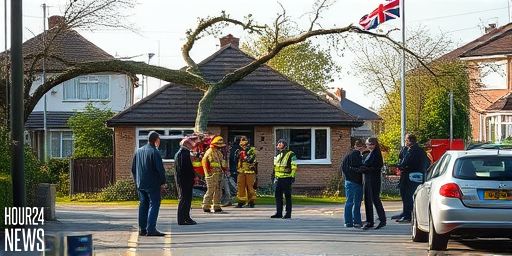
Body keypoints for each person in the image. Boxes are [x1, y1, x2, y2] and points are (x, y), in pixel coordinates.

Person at [131, 131, 167, 236]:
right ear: (156, 140)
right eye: (159, 139)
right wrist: (163, 182)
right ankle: (151, 229)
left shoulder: (138, 151)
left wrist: (136, 181)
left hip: (140, 184)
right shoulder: (154, 152)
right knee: (154, 204)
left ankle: (142, 229)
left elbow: (133, 169)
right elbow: (160, 170)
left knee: (143, 205)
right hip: (152, 184)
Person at [393, 134, 430, 223]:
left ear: (410, 141)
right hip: (408, 175)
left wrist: (401, 166)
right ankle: (405, 212)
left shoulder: (415, 151)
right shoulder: (410, 150)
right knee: (404, 193)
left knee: (408, 195)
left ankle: (408, 215)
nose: (405, 142)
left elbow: (408, 162)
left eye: (406, 140)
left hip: (412, 176)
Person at [359, 137, 386, 230]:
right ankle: (370, 220)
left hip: (373, 179)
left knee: (374, 199)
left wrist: (366, 168)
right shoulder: (371, 153)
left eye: (370, 144)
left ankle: (380, 220)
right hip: (368, 178)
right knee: (368, 199)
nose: (368, 146)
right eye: (367, 144)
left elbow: (378, 166)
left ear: (374, 144)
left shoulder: (376, 153)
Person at [174, 136, 200, 225]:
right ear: (186, 144)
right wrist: (194, 176)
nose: (191, 145)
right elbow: (187, 168)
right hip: (185, 181)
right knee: (185, 199)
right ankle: (183, 219)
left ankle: (186, 217)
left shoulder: (180, 153)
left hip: (183, 180)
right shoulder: (184, 154)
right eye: (189, 144)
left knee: (186, 199)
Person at [341, 139, 365, 228]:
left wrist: (348, 176)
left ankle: (348, 222)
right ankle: (357, 221)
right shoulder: (358, 156)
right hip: (356, 182)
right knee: (357, 203)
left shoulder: (347, 156)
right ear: (362, 147)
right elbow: (361, 168)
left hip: (348, 181)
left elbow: (343, 167)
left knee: (349, 202)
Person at [271, 139, 297, 219]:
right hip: (278, 178)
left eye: (280, 143)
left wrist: (292, 176)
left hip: (287, 178)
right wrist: (273, 175)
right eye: (278, 143)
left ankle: (288, 213)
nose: (278, 144)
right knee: (278, 196)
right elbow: (275, 166)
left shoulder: (291, 154)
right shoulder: (277, 155)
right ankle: (279, 213)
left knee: (287, 196)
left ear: (284, 145)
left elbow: (294, 166)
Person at [202, 136, 228, 213]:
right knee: (211, 190)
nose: (220, 147)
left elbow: (222, 164)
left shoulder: (219, 152)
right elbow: (205, 163)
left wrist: (224, 167)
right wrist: (208, 174)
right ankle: (206, 206)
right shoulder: (209, 152)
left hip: (219, 174)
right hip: (211, 175)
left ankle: (217, 206)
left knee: (218, 190)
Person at [235, 136, 258, 208]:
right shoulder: (239, 151)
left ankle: (251, 202)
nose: (243, 146)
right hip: (241, 171)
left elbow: (251, 160)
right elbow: (235, 160)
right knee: (240, 186)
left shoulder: (252, 150)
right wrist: (237, 156)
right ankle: (241, 202)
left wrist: (245, 156)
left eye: (244, 145)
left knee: (250, 187)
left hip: (250, 171)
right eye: (242, 145)